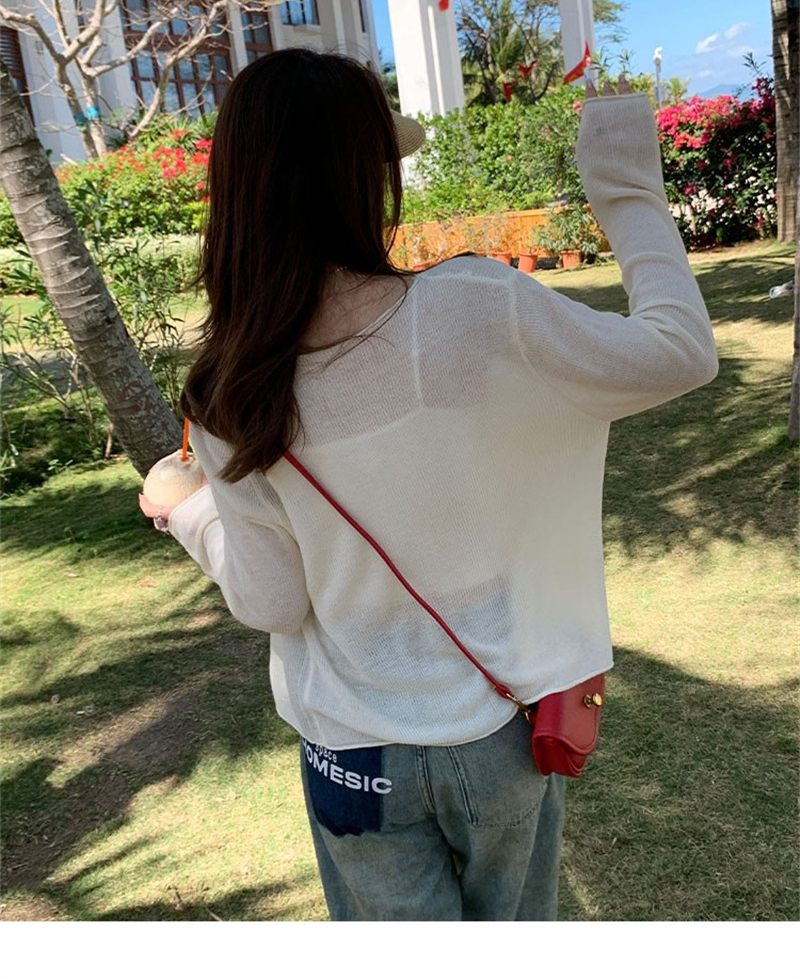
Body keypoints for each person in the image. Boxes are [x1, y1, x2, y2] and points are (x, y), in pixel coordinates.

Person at [138, 47, 718, 921]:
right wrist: (625, 182)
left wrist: (190, 513)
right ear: (365, 178)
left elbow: (271, 599)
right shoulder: (473, 307)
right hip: (497, 728)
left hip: (351, 752)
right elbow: (679, 350)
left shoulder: (229, 388)